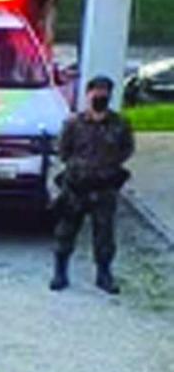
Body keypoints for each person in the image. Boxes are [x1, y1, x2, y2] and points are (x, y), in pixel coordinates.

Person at [50, 74, 135, 295]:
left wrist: (108, 167)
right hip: (77, 187)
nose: (100, 95)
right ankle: (60, 272)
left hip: (105, 187)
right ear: (88, 94)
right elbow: (63, 151)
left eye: (105, 91)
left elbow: (127, 149)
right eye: (96, 91)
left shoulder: (120, 124)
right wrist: (78, 168)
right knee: (66, 230)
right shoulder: (73, 124)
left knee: (104, 233)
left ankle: (104, 274)